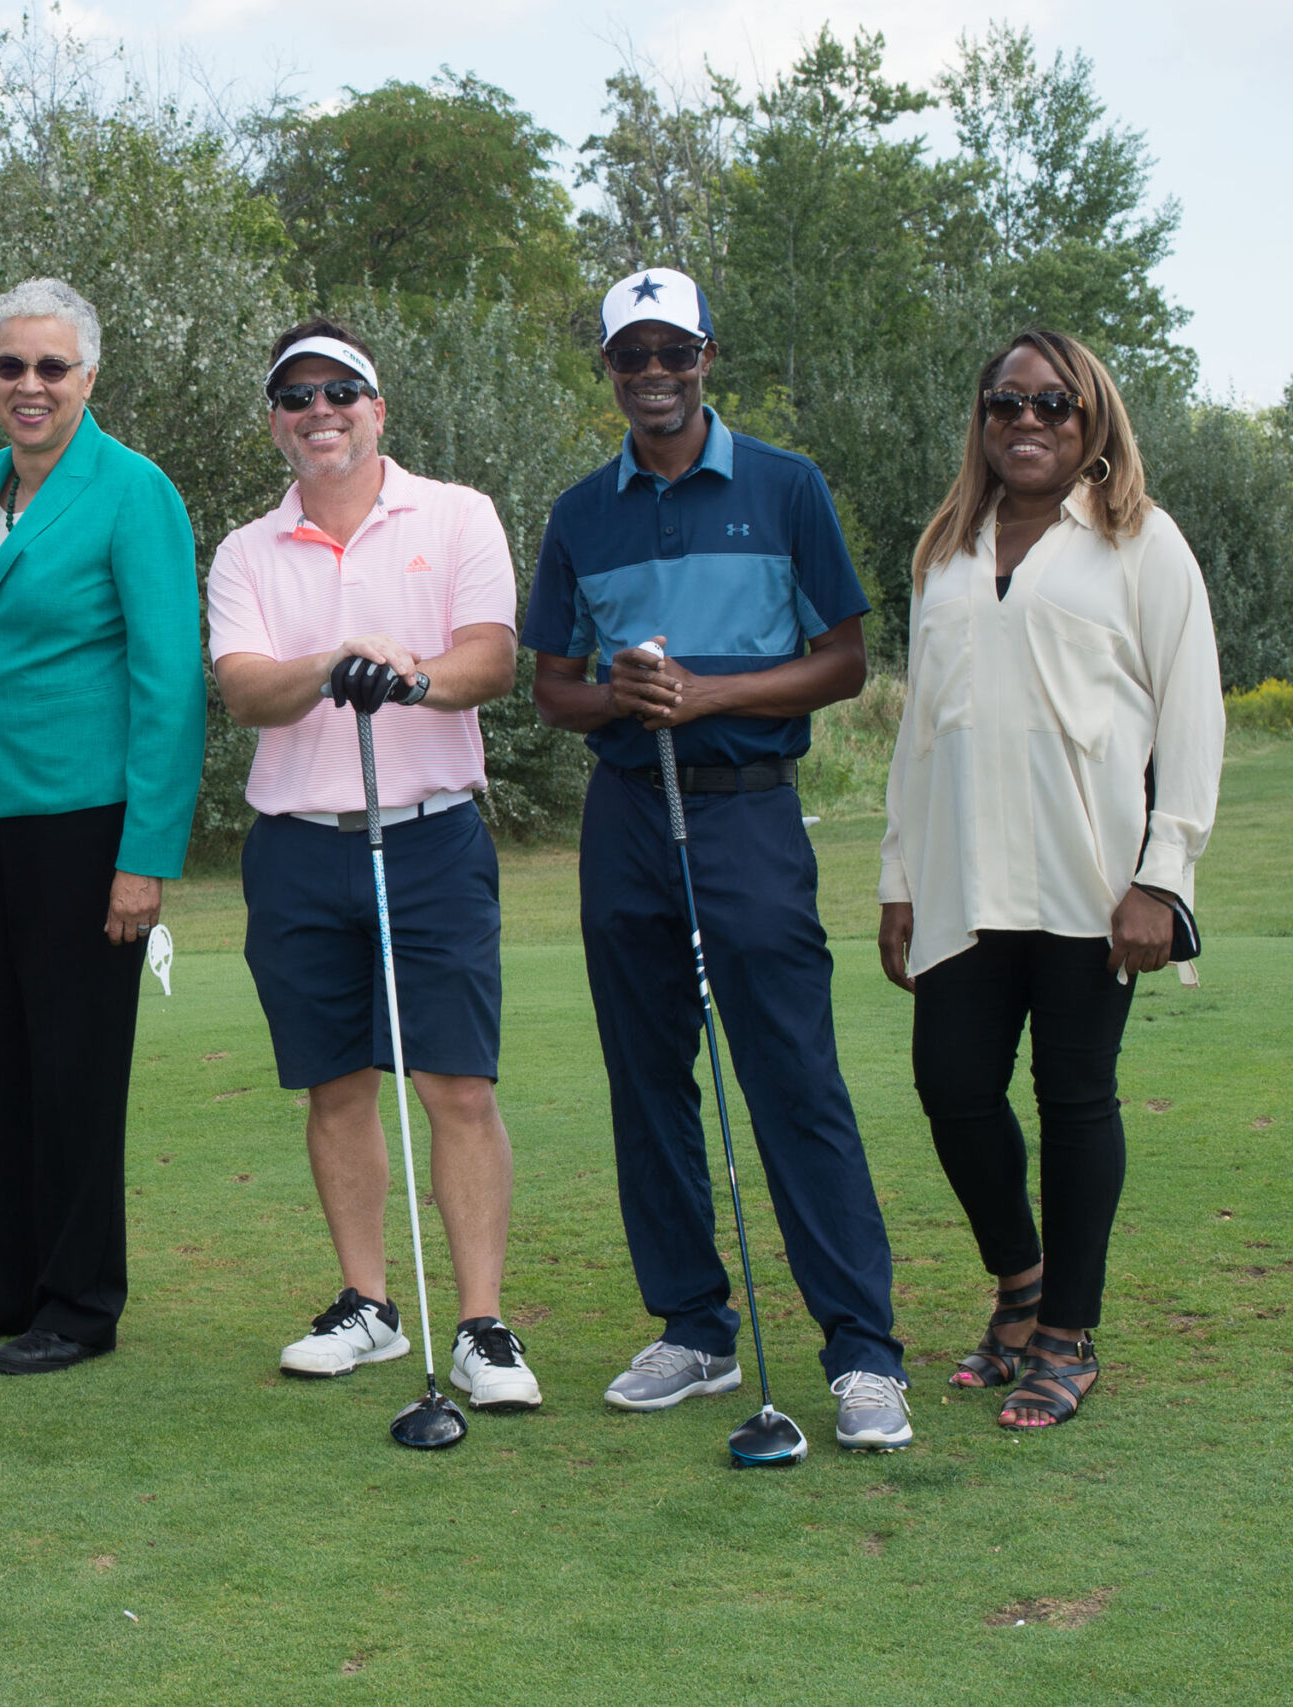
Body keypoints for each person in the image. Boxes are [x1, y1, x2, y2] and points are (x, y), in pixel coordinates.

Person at [523, 266, 915, 1452]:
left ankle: (862, 1353)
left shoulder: (785, 487)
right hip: (628, 813)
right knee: (646, 1078)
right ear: (608, 369)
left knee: (792, 1074)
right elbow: (551, 689)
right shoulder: (579, 513)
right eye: (629, 356)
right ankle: (693, 1327)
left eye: (672, 352)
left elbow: (843, 661)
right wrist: (620, 695)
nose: (653, 374)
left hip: (747, 811)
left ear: (706, 357)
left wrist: (708, 696)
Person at [880, 330, 1222, 1431]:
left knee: (1075, 1099)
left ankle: (1067, 1333)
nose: (1025, 421)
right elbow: (919, 735)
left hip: (1091, 883)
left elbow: (1192, 714)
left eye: (1051, 404)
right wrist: (898, 877)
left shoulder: (1140, 541)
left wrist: (1161, 879)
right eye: (1004, 402)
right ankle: (1020, 1285)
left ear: (1091, 417)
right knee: (951, 1089)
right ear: (981, 418)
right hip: (960, 879)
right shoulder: (945, 551)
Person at [205, 319, 541, 1409]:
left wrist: (409, 677)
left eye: (340, 391)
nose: (320, 412)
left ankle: (482, 1326)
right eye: (296, 397)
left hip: (431, 837)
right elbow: (246, 690)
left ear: (377, 408)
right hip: (299, 850)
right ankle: (369, 1306)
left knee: (457, 1085)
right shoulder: (247, 551)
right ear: (275, 422)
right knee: (337, 1085)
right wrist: (331, 664)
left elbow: (490, 657)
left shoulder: (456, 514)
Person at [0, 277, 207, 1375]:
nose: (28, 385)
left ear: (88, 375)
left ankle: (78, 1304)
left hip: (90, 824)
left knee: (74, 1073)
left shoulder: (135, 492)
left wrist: (145, 857)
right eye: (10, 365)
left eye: (50, 366)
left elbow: (170, 683)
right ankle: (3, 1286)